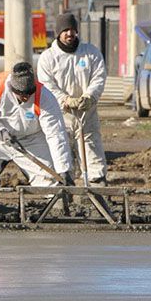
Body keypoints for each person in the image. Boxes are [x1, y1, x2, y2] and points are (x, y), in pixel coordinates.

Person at [0, 62, 73, 215]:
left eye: (29, 94)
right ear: (12, 88)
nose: (25, 97)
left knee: (49, 177)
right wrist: (0, 132)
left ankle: (56, 209)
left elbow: (56, 134)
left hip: (31, 138)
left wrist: (64, 169)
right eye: (21, 94)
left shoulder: (45, 97)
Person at [37, 12, 107, 185]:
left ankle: (97, 187)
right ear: (58, 32)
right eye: (65, 30)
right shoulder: (48, 57)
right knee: (62, 152)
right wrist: (65, 100)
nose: (69, 33)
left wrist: (89, 96)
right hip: (61, 115)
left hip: (87, 113)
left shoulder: (90, 53)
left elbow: (99, 76)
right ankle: (65, 187)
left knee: (92, 150)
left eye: (72, 30)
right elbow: (46, 84)